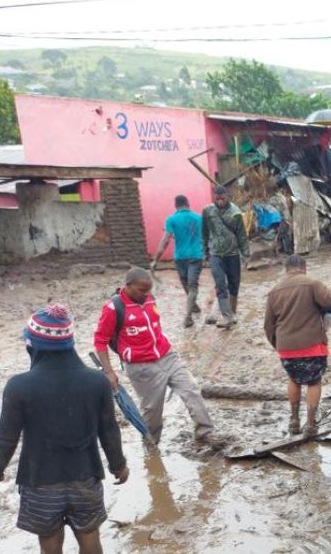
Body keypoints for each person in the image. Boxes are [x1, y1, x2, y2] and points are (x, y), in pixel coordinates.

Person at [0, 304, 128, 554]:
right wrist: (119, 465)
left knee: (49, 546)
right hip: (85, 477)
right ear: (68, 343)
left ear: (33, 344)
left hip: (40, 482)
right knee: (89, 538)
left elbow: (4, 439)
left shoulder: (19, 386)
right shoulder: (96, 382)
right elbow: (109, 430)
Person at [94, 268, 215, 445]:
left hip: (167, 356)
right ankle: (151, 446)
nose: (147, 294)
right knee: (152, 410)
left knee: (191, 390)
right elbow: (100, 340)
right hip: (141, 366)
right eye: (142, 290)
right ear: (127, 287)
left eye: (149, 290)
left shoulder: (149, 299)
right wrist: (108, 372)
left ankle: (205, 432)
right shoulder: (113, 308)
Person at [264, 255, 331, 435]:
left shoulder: (274, 291)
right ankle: (310, 424)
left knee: (294, 379)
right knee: (314, 382)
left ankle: (294, 420)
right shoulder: (312, 284)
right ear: (304, 268)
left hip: (286, 349)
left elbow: (268, 325)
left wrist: (278, 345)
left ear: (286, 269)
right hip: (312, 346)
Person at [150, 195, 203, 328]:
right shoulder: (199, 218)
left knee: (186, 283)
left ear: (175, 205)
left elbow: (165, 240)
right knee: (193, 285)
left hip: (180, 257)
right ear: (188, 203)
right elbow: (205, 236)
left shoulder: (171, 219)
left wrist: (155, 260)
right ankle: (191, 311)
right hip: (196, 256)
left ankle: (189, 313)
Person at [201, 186, 249, 328]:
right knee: (221, 286)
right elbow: (204, 233)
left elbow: (241, 234)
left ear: (227, 197)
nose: (220, 202)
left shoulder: (235, 213)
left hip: (232, 254)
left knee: (234, 285)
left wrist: (246, 254)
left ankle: (232, 313)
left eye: (223, 199)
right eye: (217, 199)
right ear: (213, 197)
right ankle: (227, 317)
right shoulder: (207, 211)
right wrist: (204, 252)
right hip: (215, 253)